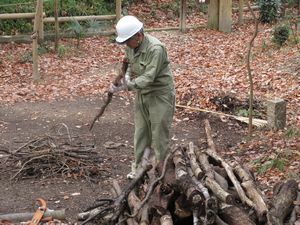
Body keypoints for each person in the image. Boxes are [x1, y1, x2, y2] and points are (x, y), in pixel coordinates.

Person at [109, 15, 175, 179]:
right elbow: (129, 66)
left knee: (159, 134)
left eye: (127, 41)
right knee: (141, 133)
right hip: (142, 93)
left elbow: (149, 77)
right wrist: (123, 80)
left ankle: (161, 172)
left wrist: (127, 86)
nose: (125, 45)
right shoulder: (131, 47)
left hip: (160, 94)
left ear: (138, 35)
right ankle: (138, 168)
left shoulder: (156, 49)